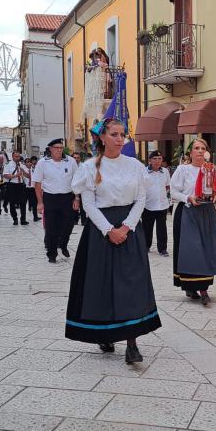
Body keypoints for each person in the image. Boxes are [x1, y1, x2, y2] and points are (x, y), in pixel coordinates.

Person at [67, 118, 161, 363]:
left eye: (123, 135)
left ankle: (132, 342)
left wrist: (127, 227)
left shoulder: (134, 166)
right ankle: (104, 333)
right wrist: (110, 230)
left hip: (129, 228)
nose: (120, 139)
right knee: (102, 284)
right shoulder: (89, 168)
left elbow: (141, 199)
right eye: (115, 134)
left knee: (131, 284)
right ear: (102, 137)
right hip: (100, 231)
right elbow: (88, 205)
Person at [170, 139, 216, 305]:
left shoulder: (211, 170)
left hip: (206, 213)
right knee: (191, 250)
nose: (200, 151)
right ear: (190, 152)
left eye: (203, 148)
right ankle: (190, 286)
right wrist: (188, 197)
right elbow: (173, 191)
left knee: (206, 249)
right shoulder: (183, 170)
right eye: (196, 148)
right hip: (188, 212)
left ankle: (204, 288)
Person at [33, 138, 80, 263]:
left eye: (61, 148)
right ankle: (52, 253)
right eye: (56, 148)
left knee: (68, 225)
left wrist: (77, 198)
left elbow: (76, 181)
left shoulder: (70, 161)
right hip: (50, 198)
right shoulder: (43, 163)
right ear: (50, 149)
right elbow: (37, 183)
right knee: (51, 227)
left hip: (67, 197)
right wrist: (40, 202)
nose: (59, 150)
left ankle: (63, 244)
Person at [142, 150, 171, 256]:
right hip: (148, 205)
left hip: (162, 204)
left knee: (162, 228)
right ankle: (146, 246)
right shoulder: (144, 172)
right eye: (155, 159)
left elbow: (167, 186)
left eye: (160, 159)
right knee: (147, 228)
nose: (157, 161)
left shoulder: (165, 172)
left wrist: (167, 198)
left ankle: (162, 249)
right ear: (150, 160)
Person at [4, 151, 30, 226]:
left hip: (21, 185)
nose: (18, 158)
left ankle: (23, 219)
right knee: (12, 203)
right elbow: (5, 175)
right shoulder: (8, 165)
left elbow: (28, 176)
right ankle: (15, 218)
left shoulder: (22, 165)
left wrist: (24, 172)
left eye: (18, 156)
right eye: (16, 156)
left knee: (23, 203)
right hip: (12, 185)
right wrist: (16, 175)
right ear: (12, 157)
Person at [25, 156, 40, 221]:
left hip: (34, 187)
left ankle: (35, 216)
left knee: (34, 202)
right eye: (32, 161)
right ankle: (24, 217)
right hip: (26, 187)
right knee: (25, 202)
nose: (34, 162)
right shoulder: (27, 169)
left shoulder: (38, 168)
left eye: (35, 161)